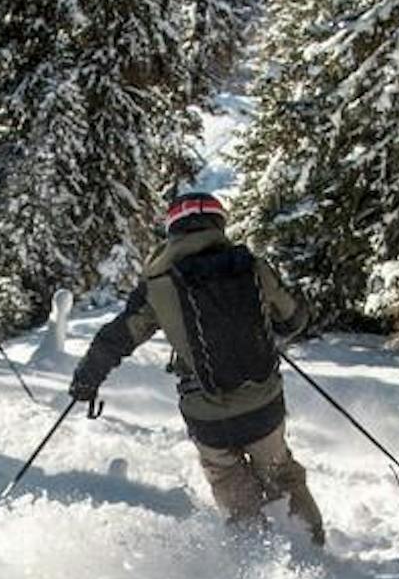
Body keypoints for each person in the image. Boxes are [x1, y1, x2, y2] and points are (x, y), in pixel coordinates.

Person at [69, 190, 326, 545]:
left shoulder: (156, 281)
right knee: (282, 473)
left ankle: (254, 557)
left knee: (227, 480)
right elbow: (293, 320)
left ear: (173, 228)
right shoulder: (250, 265)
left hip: (205, 413)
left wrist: (87, 377)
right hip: (262, 402)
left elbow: (118, 337)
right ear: (218, 223)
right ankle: (311, 548)